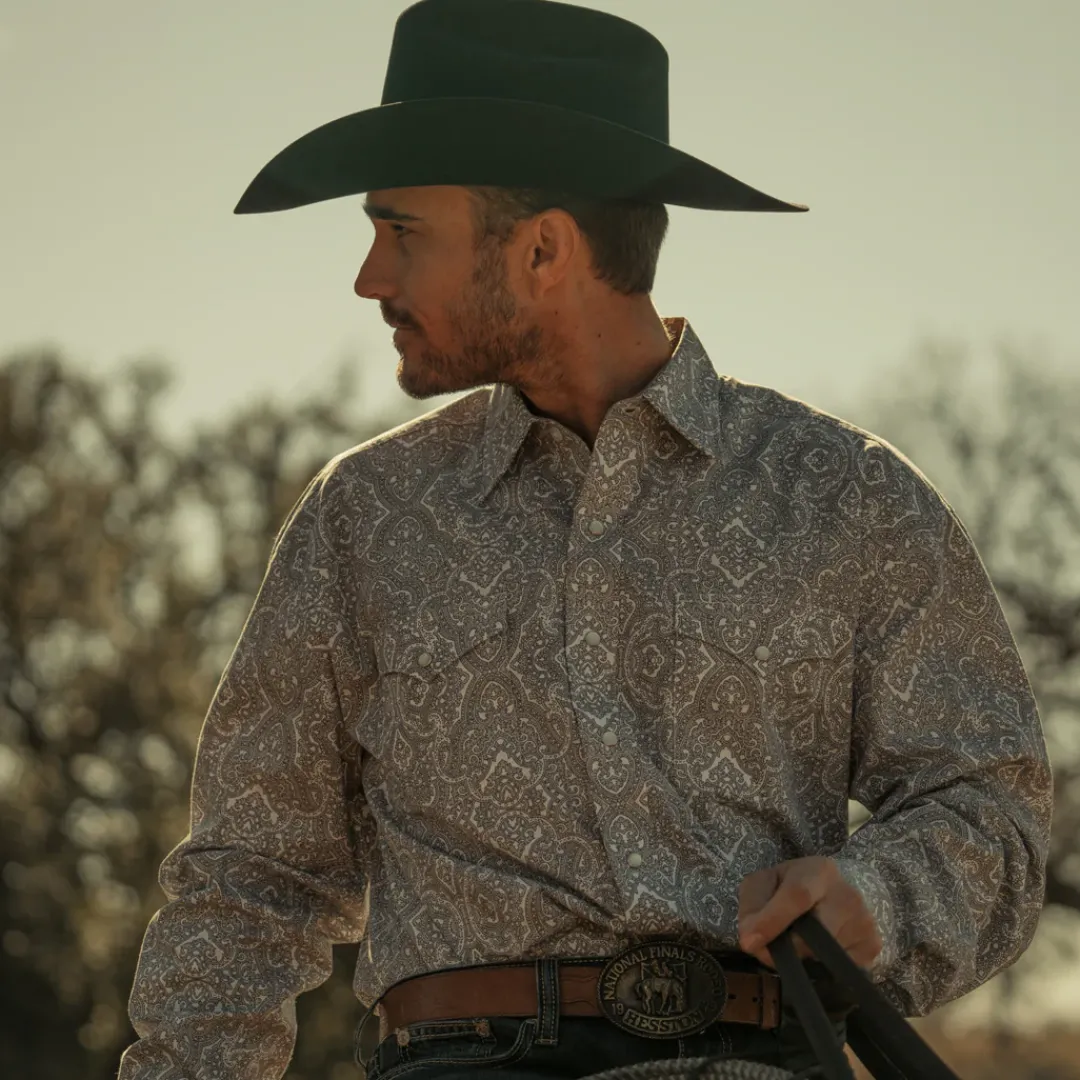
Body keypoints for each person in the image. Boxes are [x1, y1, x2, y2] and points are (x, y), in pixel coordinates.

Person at [119, 1, 1053, 1078]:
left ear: (544, 249)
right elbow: (248, 883)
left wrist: (875, 896)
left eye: (401, 232)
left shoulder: (850, 497)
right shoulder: (360, 521)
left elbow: (992, 807)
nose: (370, 278)